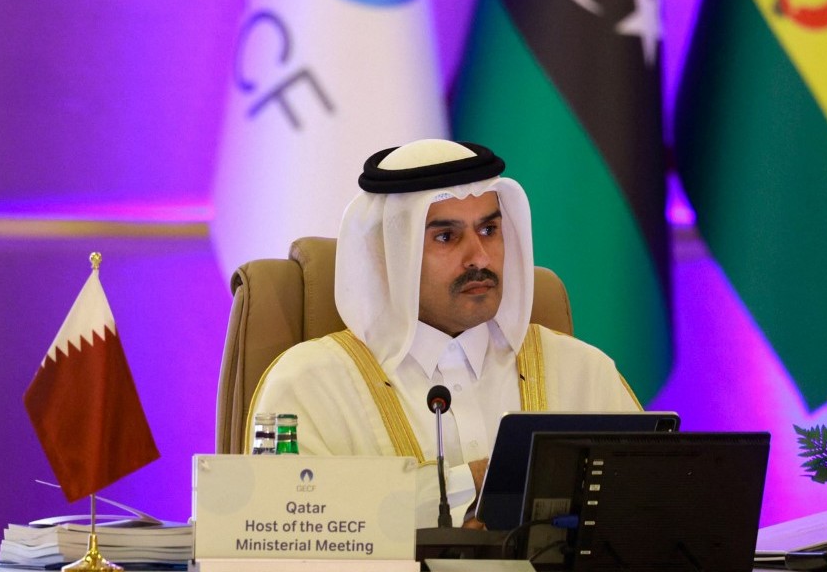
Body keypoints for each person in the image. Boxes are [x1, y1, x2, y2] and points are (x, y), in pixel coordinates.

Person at [250, 138, 640, 528]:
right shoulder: (310, 384)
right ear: (390, 256)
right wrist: (469, 482)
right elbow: (289, 523)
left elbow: (648, 513)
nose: (479, 257)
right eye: (446, 237)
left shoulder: (582, 371)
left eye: (489, 229)